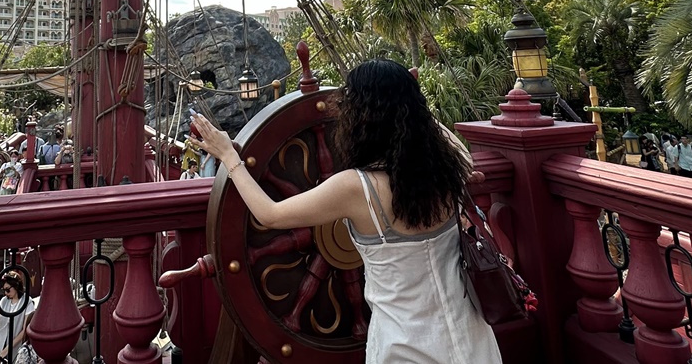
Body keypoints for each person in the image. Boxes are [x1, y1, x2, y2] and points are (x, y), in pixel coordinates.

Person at [192, 59, 501, 363]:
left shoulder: (357, 189)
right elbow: (447, 143)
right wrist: (409, 101)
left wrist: (228, 156)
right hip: (471, 337)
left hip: (406, 346)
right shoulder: (448, 169)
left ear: (361, 117)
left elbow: (270, 214)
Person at [0, 271, 37, 364]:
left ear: (16, 286)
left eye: (8, 290)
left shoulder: (27, 302)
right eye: (4, 290)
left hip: (15, 348)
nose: (6, 293)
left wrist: (7, 350)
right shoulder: (4, 301)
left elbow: (25, 330)